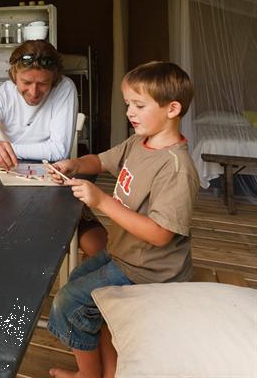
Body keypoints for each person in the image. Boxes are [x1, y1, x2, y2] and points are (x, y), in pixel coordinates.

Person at [45, 61, 199, 378]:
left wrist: (101, 201)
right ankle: (108, 361)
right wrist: (74, 164)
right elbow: (101, 160)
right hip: (124, 255)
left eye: (139, 105)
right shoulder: (138, 142)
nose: (130, 112)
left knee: (68, 302)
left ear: (172, 108)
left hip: (151, 271)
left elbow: (159, 236)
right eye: (128, 103)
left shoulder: (175, 169)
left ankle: (88, 376)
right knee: (75, 282)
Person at [0, 40, 78, 169]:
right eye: (26, 82)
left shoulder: (64, 87)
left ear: (54, 78)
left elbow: (59, 151)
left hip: (53, 173)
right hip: (10, 171)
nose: (34, 92)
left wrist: (3, 150)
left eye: (43, 83)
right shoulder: (1, 96)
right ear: (14, 75)